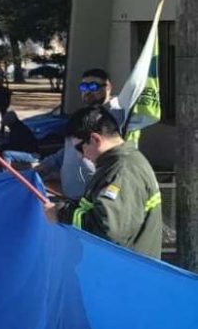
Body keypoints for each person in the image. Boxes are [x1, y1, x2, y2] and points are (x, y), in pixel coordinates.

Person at [46, 106, 162, 259]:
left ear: (95, 139)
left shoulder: (122, 171)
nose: (81, 157)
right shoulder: (119, 163)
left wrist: (60, 213)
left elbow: (107, 230)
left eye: (80, 149)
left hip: (126, 273)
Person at [36, 68, 127, 200]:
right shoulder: (82, 117)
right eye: (83, 87)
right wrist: (44, 166)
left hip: (96, 201)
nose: (87, 91)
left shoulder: (117, 117)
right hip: (71, 198)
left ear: (108, 87)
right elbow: (67, 150)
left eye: (93, 86)